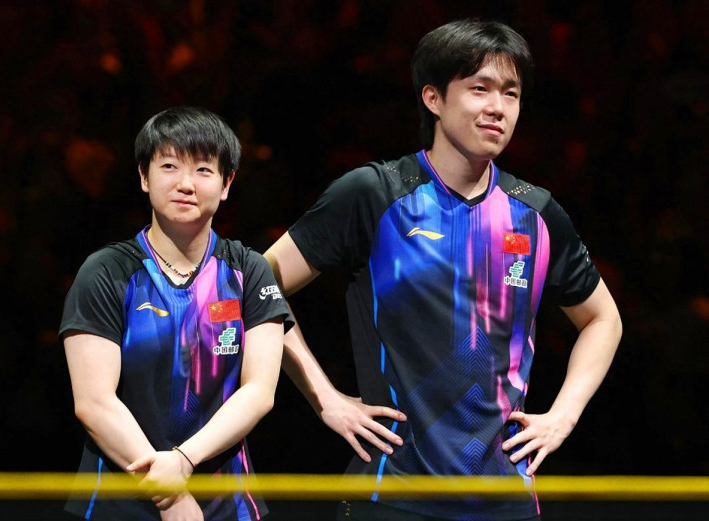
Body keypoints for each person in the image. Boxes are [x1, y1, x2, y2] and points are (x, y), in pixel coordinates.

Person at [264, 19, 622, 521]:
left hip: (505, 500)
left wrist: (563, 416)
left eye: (511, 93)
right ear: (433, 98)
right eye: (480, 89)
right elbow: (256, 287)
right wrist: (325, 397)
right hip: (389, 494)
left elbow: (603, 319)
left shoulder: (537, 213)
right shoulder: (374, 194)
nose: (498, 107)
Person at [60, 106, 292, 520]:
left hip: (228, 504)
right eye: (169, 166)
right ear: (144, 177)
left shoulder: (249, 270)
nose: (186, 183)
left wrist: (184, 461)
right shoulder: (106, 272)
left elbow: (259, 391)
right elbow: (93, 402)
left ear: (226, 183)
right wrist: (170, 494)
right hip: (117, 504)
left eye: (203, 170)